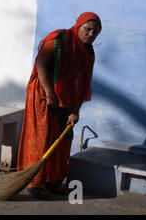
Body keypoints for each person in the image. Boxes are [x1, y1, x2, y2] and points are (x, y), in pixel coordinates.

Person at [17, 12, 102, 199]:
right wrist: (49, 93)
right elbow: (41, 65)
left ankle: (53, 181)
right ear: (78, 26)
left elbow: (83, 83)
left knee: (63, 139)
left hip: (66, 98)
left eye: (95, 32)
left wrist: (75, 110)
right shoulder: (59, 39)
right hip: (42, 92)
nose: (91, 34)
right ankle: (35, 182)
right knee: (42, 136)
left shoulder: (88, 53)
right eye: (87, 29)